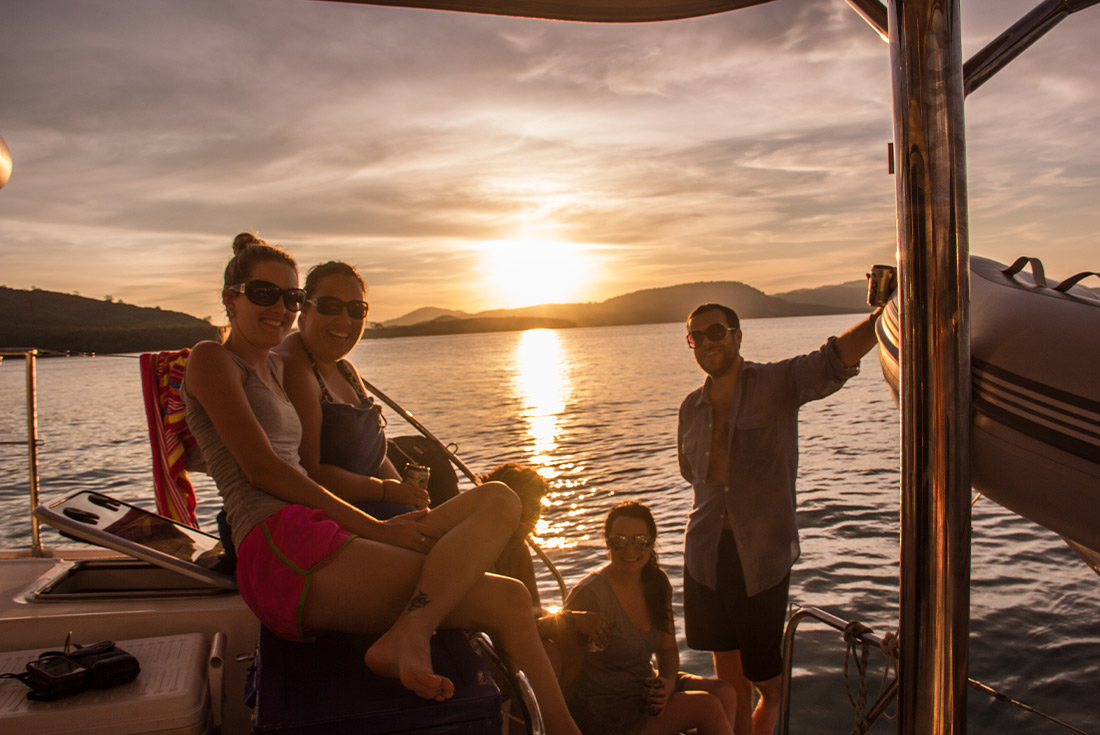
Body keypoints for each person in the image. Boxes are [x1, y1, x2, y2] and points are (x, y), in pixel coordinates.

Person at [182, 233, 581, 734]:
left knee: (500, 501)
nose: (279, 308)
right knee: (509, 600)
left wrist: (393, 514)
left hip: (316, 534)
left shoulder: (276, 370)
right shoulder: (212, 358)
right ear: (230, 299)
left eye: (290, 298)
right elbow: (265, 470)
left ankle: (414, 632)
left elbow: (310, 368)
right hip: (279, 548)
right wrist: (376, 526)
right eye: (264, 294)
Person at [677, 302, 880, 735]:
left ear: (737, 335)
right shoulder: (689, 408)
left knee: (764, 674)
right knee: (725, 665)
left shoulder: (775, 383)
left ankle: (767, 711)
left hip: (760, 555)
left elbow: (833, 360)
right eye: (696, 336)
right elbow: (692, 476)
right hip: (705, 553)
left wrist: (884, 319)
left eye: (716, 332)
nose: (707, 343)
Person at [561, 500, 737, 735]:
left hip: (645, 687)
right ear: (607, 542)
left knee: (724, 692)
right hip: (607, 709)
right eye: (619, 541)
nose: (630, 550)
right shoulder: (591, 595)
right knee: (707, 706)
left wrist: (668, 683)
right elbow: (567, 669)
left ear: (652, 543)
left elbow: (666, 650)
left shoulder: (657, 583)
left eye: (640, 541)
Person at [277, 260, 427, 521]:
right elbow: (309, 472)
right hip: (335, 517)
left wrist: (408, 497)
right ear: (304, 310)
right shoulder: (295, 368)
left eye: (357, 309)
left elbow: (376, 459)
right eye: (330, 306)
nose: (344, 319)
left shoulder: (345, 370)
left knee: (491, 504)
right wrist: (386, 492)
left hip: (378, 505)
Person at [478, 462, 548, 610]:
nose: (528, 514)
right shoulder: (477, 545)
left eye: (535, 506)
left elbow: (533, 606)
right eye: (521, 501)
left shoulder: (518, 548)